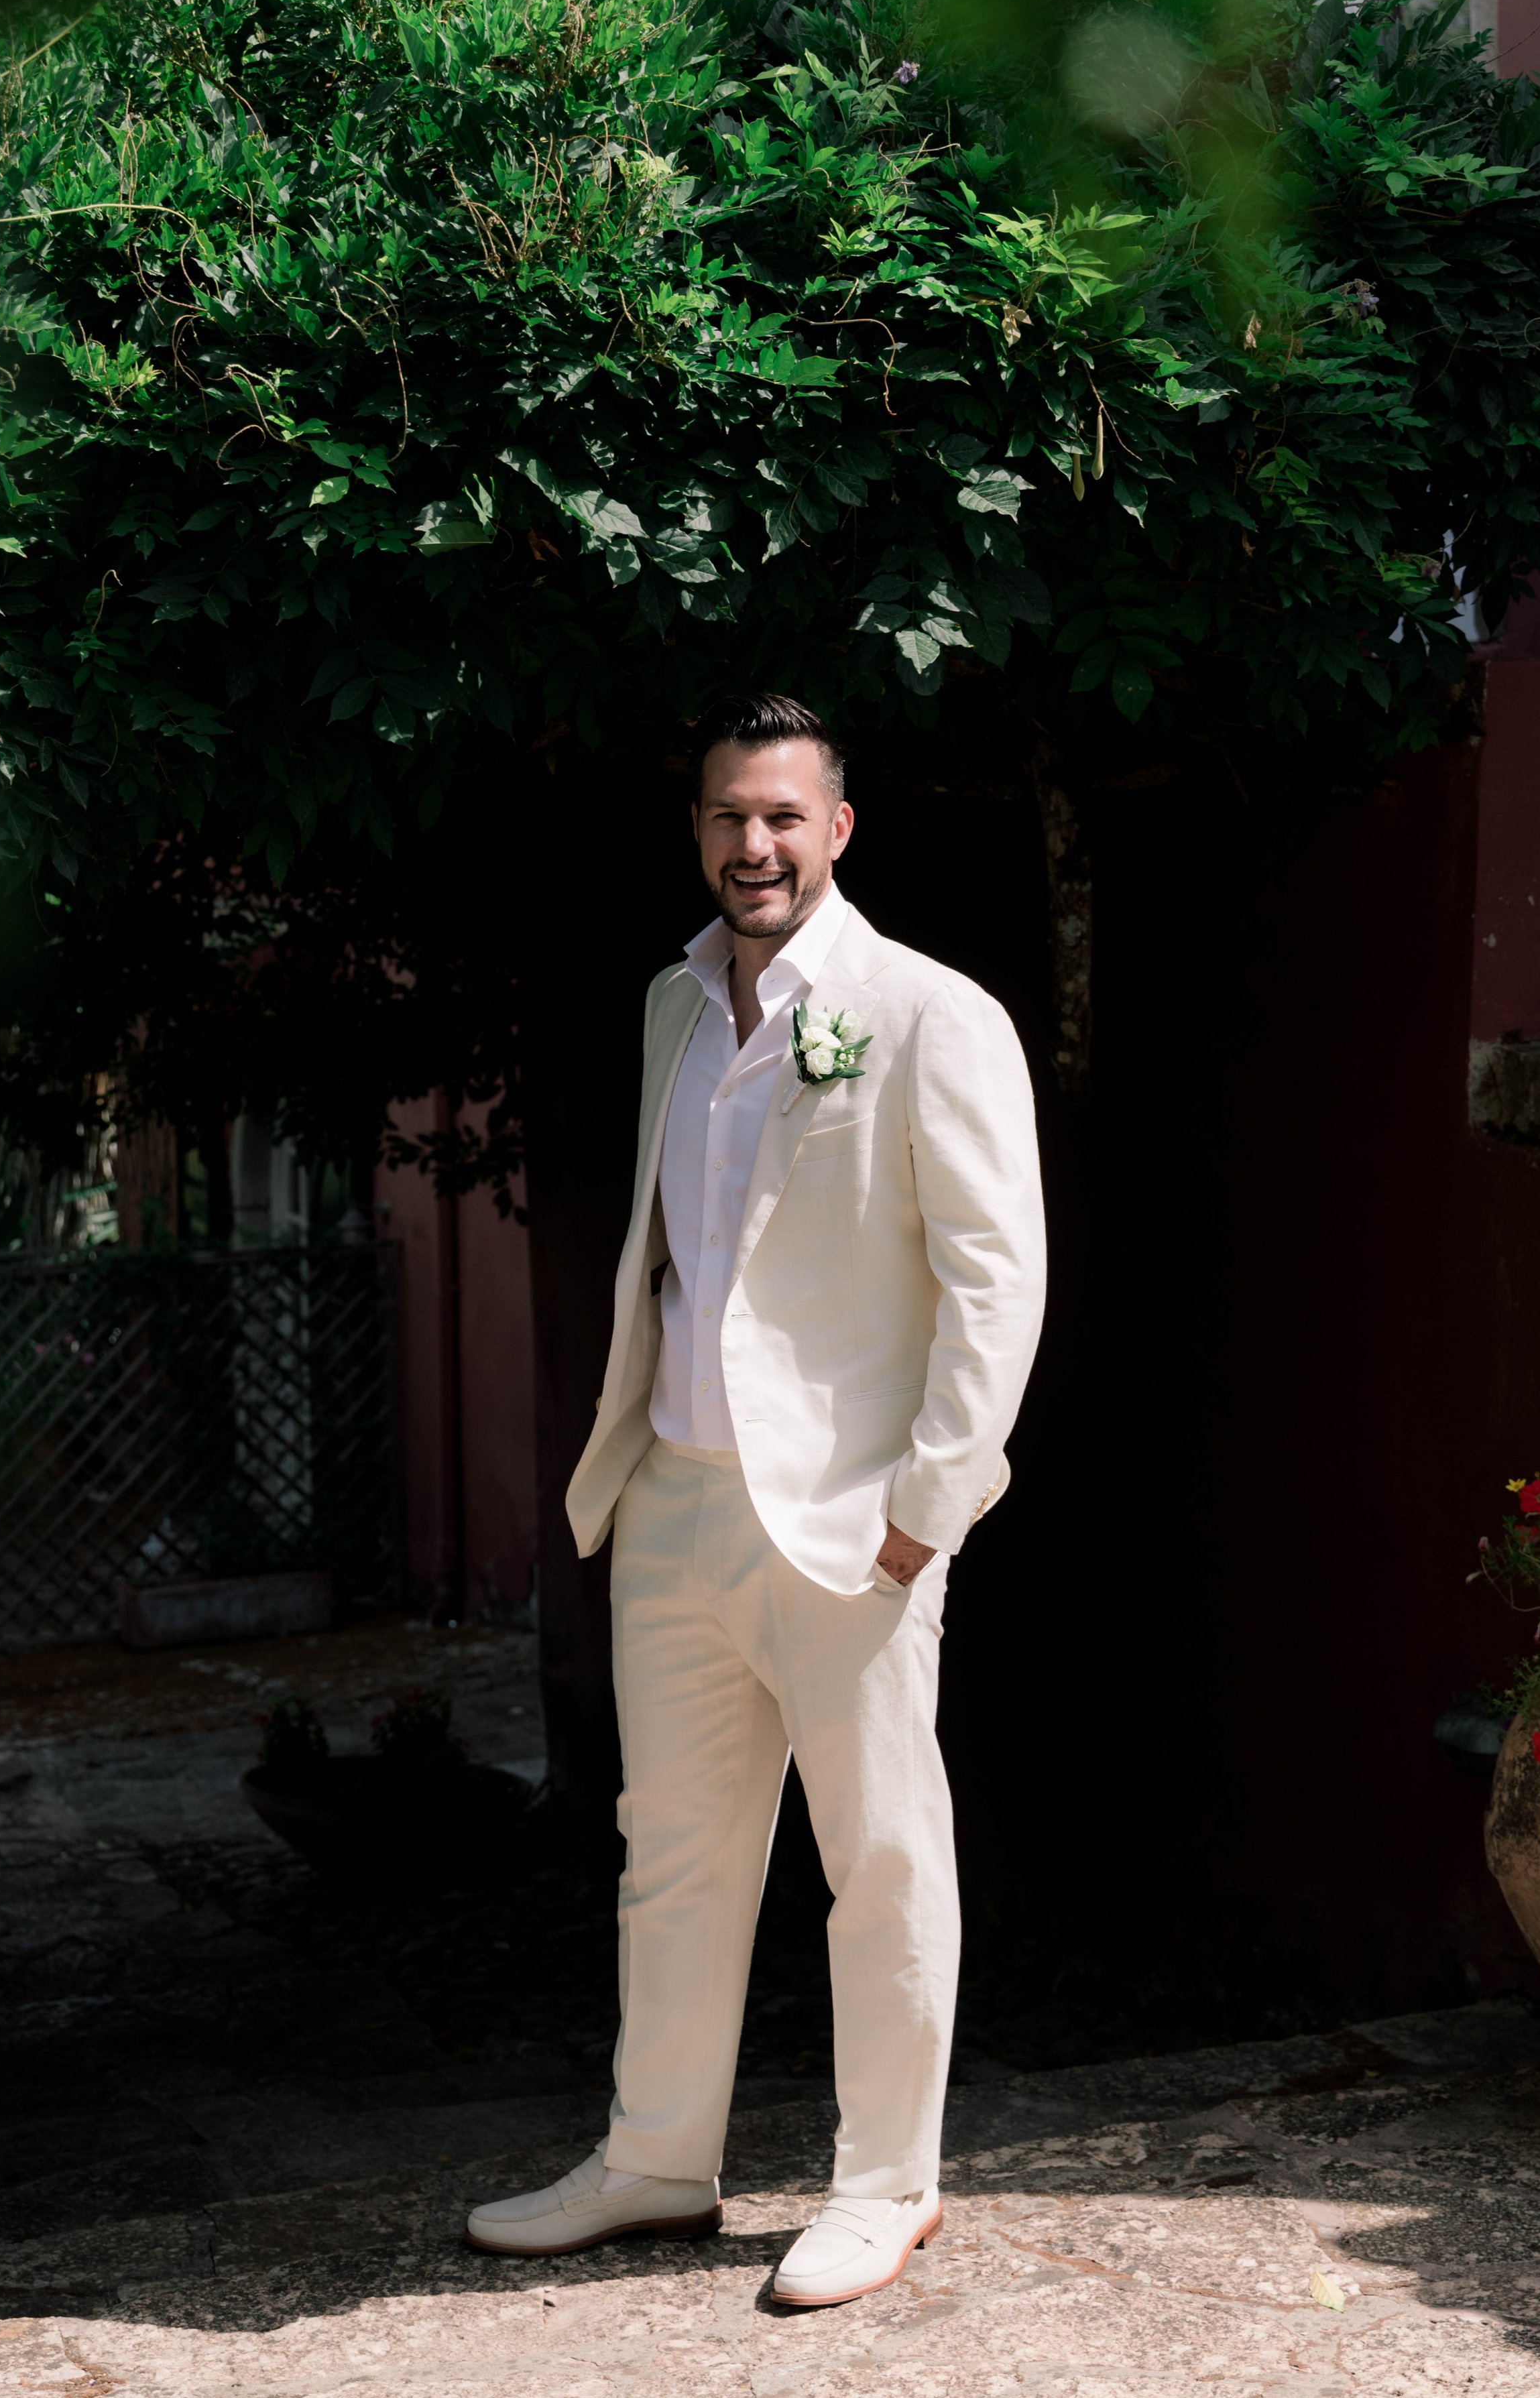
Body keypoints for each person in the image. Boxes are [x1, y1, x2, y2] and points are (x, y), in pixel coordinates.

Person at [467, 691, 1045, 2305]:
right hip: (674, 1498)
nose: (753, 844)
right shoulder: (674, 1004)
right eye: (727, 816)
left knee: (877, 1852)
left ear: (837, 831)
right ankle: (654, 2159)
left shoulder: (930, 1016)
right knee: (672, 1850)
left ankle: (884, 2185)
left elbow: (995, 1284)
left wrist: (928, 1506)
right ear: (700, 833)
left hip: (853, 1520)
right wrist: (643, 1470)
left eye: (782, 815)